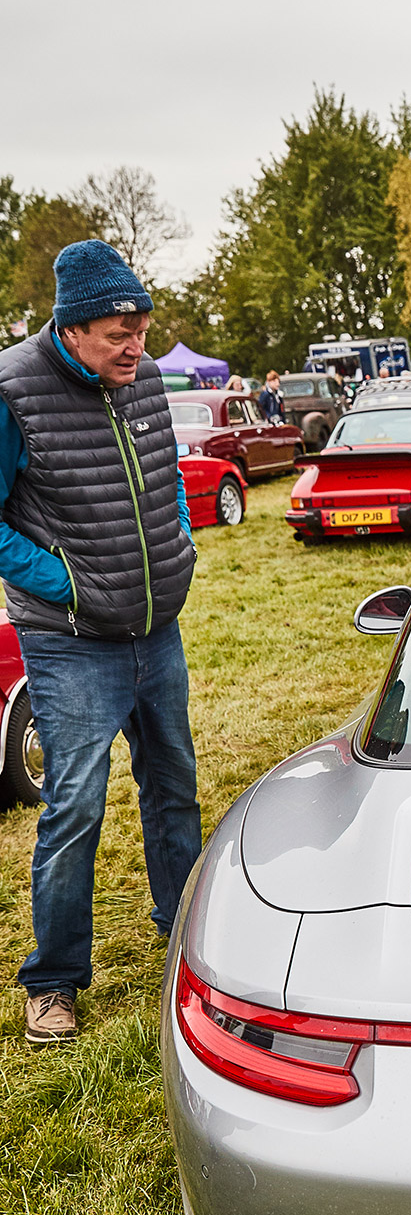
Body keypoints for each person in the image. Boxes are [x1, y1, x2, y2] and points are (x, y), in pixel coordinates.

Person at [0, 241, 200, 1044]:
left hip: (157, 630)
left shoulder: (143, 378)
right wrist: (69, 585)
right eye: (120, 330)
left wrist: (179, 542)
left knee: (174, 786)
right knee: (75, 805)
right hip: (72, 640)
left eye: (143, 326)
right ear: (72, 327)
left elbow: (165, 473)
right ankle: (52, 980)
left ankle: (187, 936)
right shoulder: (13, 391)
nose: (137, 345)